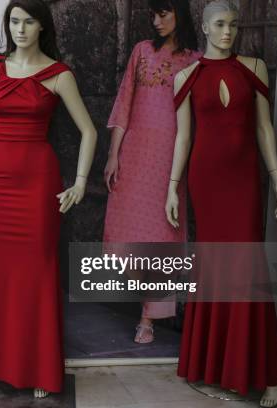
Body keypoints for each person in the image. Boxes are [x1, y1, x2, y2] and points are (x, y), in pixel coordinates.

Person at [0, 0, 97, 398]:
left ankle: (39, 367)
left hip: (40, 185)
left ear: (42, 27)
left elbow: (89, 131)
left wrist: (80, 182)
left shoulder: (59, 74)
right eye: (14, 21)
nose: (20, 29)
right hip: (2, 184)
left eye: (29, 22)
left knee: (37, 275)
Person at [165, 1, 277, 407]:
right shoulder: (186, 75)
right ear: (204, 27)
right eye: (220, 24)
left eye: (234, 26)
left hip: (243, 182)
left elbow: (263, 128)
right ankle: (218, 369)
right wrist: (172, 187)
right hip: (206, 182)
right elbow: (184, 137)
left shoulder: (253, 68)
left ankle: (271, 377)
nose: (228, 32)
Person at [103, 0, 201, 344]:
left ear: (180, 15)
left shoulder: (194, 60)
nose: (156, 21)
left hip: (169, 158)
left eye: (164, 14)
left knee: (163, 232)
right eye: (153, 15)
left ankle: (149, 316)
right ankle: (138, 297)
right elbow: (124, 102)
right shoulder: (142, 51)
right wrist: (114, 154)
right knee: (128, 225)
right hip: (135, 152)